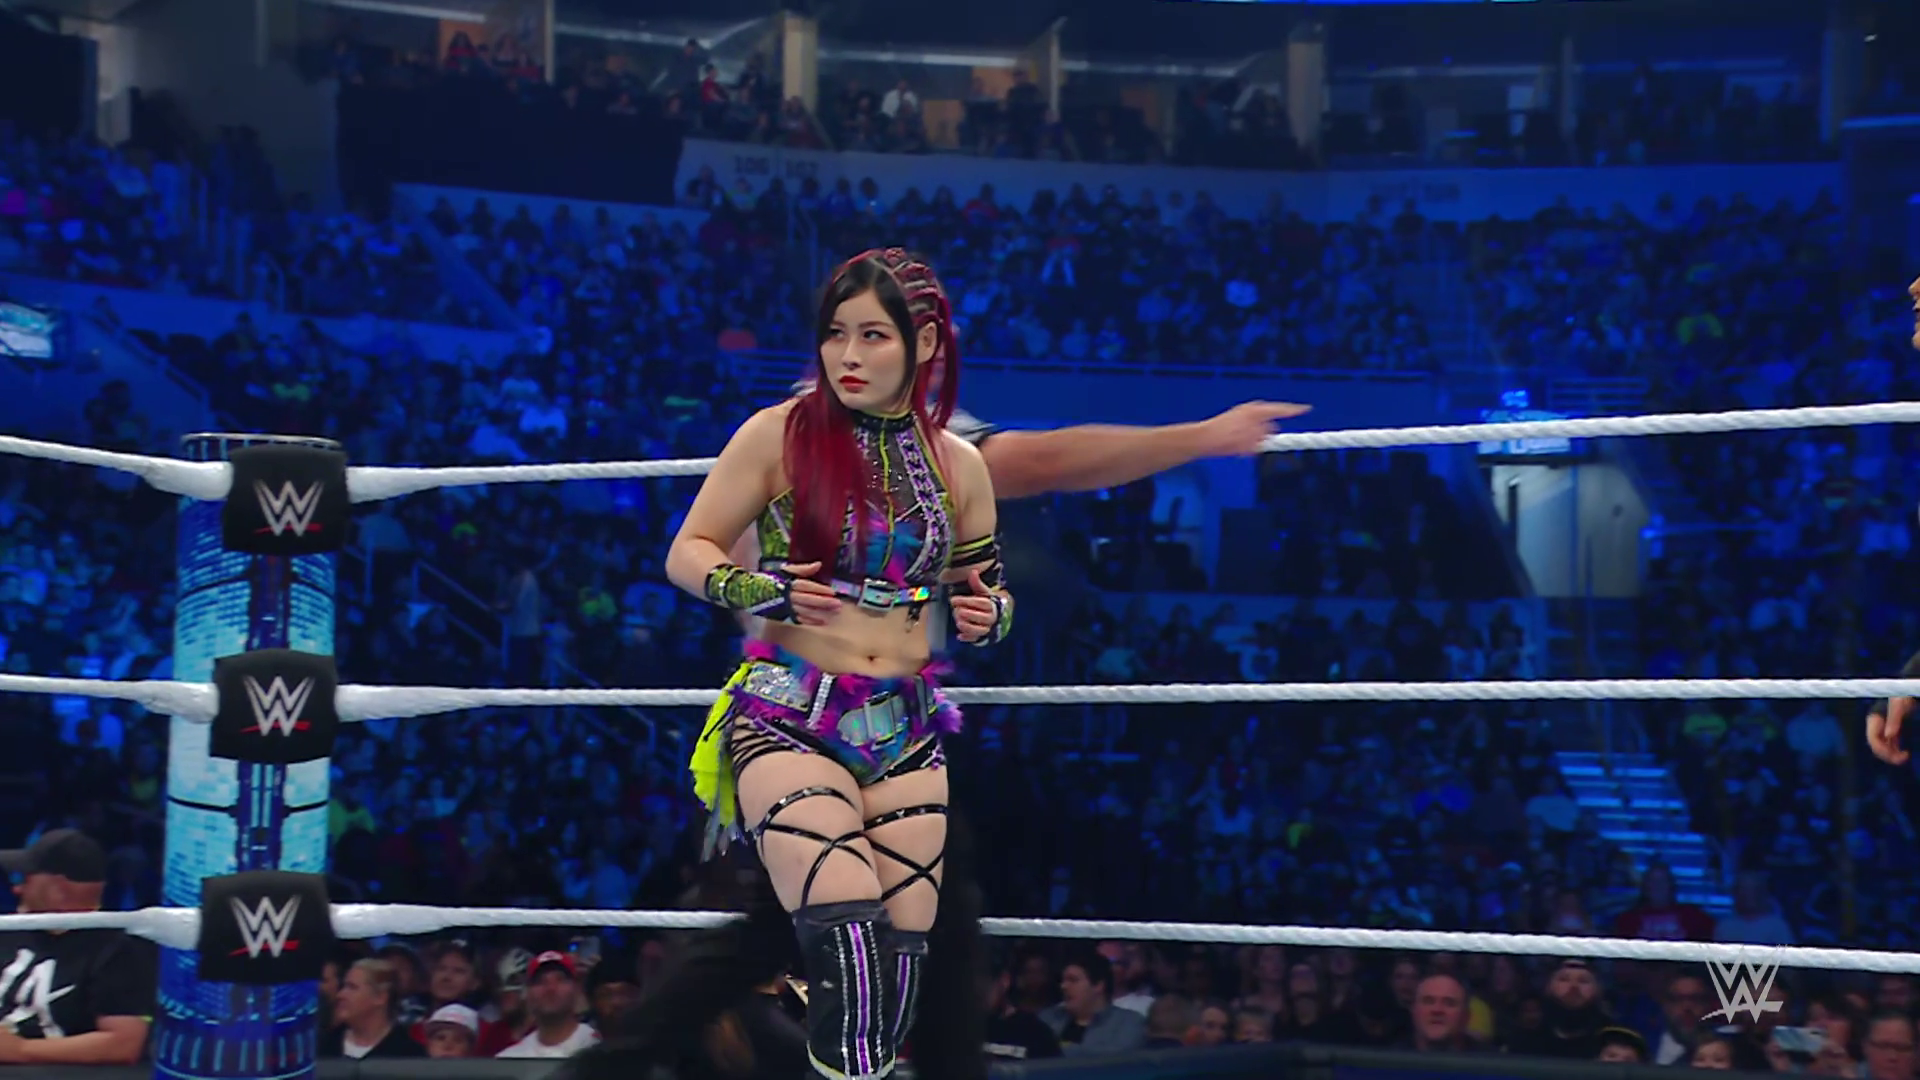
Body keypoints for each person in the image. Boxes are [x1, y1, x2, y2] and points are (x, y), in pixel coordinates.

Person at [668, 246, 1005, 1080]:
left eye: (872, 336)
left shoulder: (960, 465)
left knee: (895, 982)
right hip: (789, 710)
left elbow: (987, 590)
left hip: (907, 728)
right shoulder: (777, 435)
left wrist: (990, 615)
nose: (847, 356)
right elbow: (689, 550)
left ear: (926, 344)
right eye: (834, 334)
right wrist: (764, 587)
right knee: (848, 949)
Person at [0, 829, 153, 1065]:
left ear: (58, 890)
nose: (16, 889)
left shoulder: (117, 951)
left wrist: (21, 1049)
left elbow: (123, 1043)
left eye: (25, 879)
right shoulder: (14, 927)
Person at [496, 952, 599, 1058]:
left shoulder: (597, 1046)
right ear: (528, 993)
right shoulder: (512, 1058)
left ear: (576, 989)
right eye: (540, 981)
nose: (550, 988)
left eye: (560, 979)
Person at [321, 958, 426, 1058]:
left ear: (381, 997)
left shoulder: (410, 1054)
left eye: (352, 987)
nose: (340, 995)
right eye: (343, 987)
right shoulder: (323, 1045)